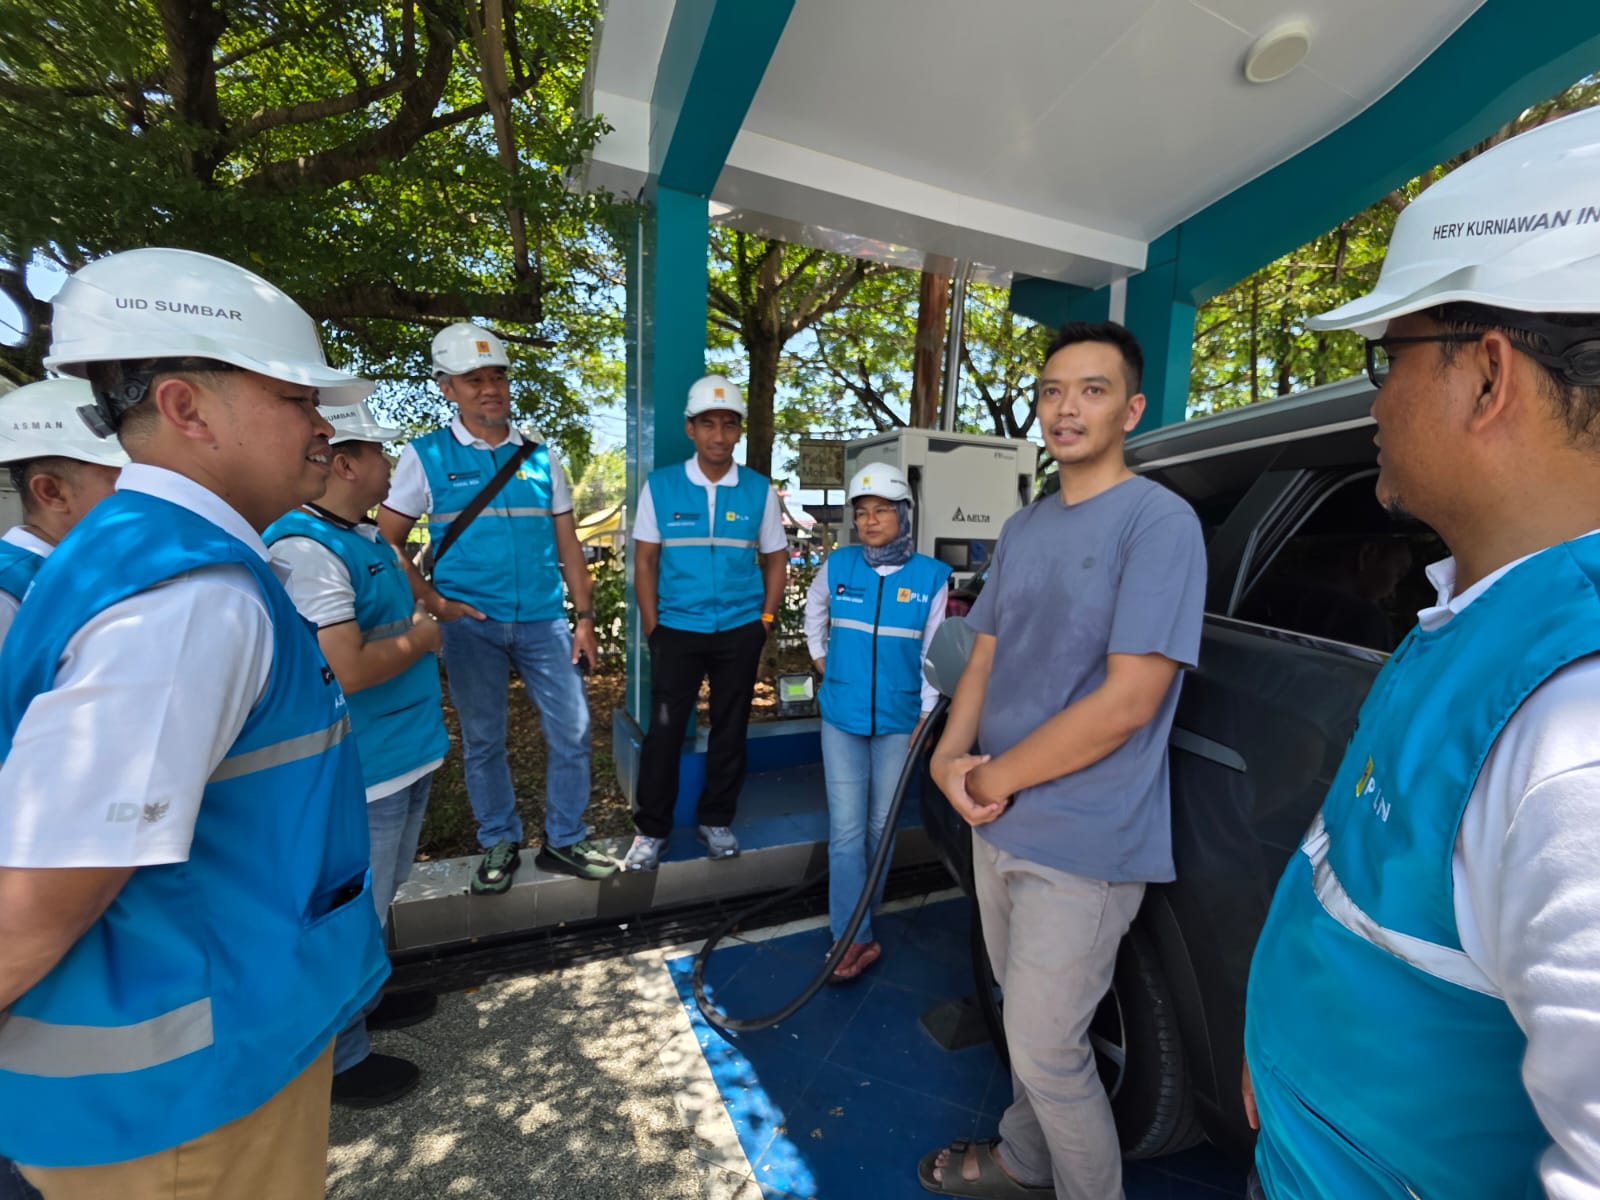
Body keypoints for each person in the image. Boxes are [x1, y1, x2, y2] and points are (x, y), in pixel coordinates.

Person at [1242, 107, 1600, 1200]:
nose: (1375, 401)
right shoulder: (1477, 623)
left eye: (1381, 356)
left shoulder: (1573, 742)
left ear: (1486, 376)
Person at [0, 246, 388, 1198]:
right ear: (185, 407)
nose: (322, 429)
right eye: (298, 398)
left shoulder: (139, 558)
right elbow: (35, 906)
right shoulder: (190, 602)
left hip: (190, 1070)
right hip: (178, 1111)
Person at [918, 322, 1206, 1200]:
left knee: (1048, 1045)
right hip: (995, 818)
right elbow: (987, 652)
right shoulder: (1028, 524)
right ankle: (1024, 1157)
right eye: (1052, 391)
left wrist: (989, 778)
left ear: (1132, 408)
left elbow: (1128, 702)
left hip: (1085, 833)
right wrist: (950, 757)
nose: (1067, 407)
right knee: (1023, 1020)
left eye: (1092, 389)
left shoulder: (1160, 523)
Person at [376, 323, 614, 893]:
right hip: (470, 626)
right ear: (447, 388)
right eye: (474, 379)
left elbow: (569, 547)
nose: (490, 389)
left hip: (543, 621)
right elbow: (385, 541)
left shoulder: (539, 458)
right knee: (484, 739)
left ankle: (565, 839)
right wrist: (434, 602)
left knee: (574, 730)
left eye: (498, 377)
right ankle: (498, 841)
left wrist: (583, 619)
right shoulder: (425, 456)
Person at [265, 400, 449, 1109]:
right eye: (379, 451)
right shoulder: (303, 550)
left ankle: (367, 998)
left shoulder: (367, 537)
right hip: (361, 765)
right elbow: (347, 667)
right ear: (345, 463)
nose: (390, 463)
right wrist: (424, 637)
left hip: (405, 749)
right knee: (350, 910)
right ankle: (341, 1057)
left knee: (383, 891)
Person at [624, 375, 788, 870]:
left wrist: (764, 619)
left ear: (739, 432)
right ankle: (651, 831)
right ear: (691, 429)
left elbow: (776, 560)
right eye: (709, 424)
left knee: (731, 726)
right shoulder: (663, 485)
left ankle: (716, 820)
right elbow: (645, 562)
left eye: (729, 425)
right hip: (676, 628)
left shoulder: (759, 490)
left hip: (739, 627)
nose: (719, 435)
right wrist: (654, 626)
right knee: (665, 731)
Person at [805, 461, 949, 982]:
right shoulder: (838, 565)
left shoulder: (932, 577)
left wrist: (928, 716)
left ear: (903, 514)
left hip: (899, 719)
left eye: (881, 511)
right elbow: (813, 615)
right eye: (862, 512)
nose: (869, 521)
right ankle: (853, 937)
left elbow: (934, 654)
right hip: (841, 717)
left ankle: (860, 922)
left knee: (879, 830)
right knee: (846, 833)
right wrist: (823, 661)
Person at [0, 378, 127, 645]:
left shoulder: (85, 569)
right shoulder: (8, 590)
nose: (141, 489)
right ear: (52, 492)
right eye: (122, 478)